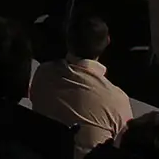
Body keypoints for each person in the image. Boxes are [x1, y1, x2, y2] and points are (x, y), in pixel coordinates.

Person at [27, 13, 133, 152]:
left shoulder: (43, 73)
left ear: (68, 39)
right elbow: (126, 145)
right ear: (107, 41)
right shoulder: (117, 101)